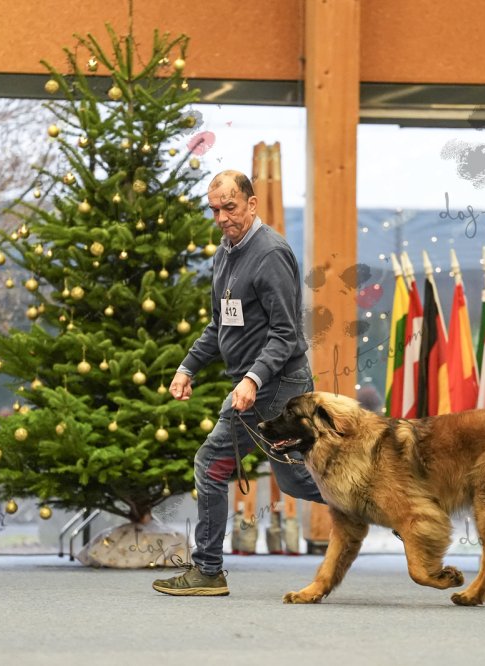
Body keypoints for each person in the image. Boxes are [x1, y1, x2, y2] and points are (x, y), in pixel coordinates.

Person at [152, 170, 325, 597]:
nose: (222, 218)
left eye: (229, 207)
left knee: (232, 467)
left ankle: (208, 570)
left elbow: (285, 334)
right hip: (255, 386)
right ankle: (384, 505)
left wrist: (251, 378)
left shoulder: (271, 254)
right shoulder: (225, 253)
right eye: (214, 210)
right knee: (295, 479)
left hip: (279, 386)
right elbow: (220, 325)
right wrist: (187, 367)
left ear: (251, 204)